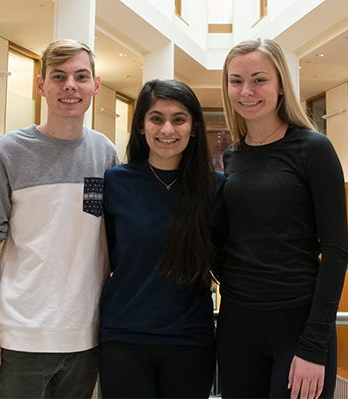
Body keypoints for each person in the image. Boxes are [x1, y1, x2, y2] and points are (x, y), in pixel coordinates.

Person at [0, 38, 119, 398]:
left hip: (87, 333)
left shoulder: (105, 153)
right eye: (59, 76)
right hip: (22, 335)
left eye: (81, 76)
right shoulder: (7, 151)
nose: (70, 86)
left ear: (95, 85)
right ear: (41, 85)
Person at [215, 38, 348, 399]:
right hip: (237, 324)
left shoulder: (313, 148)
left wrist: (313, 345)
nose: (246, 91)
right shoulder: (234, 156)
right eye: (236, 81)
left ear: (280, 86)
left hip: (298, 324)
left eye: (259, 79)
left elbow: (336, 251)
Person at [98, 79, 226, 399]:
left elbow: (228, 259)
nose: (167, 129)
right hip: (123, 339)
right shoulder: (115, 181)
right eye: (156, 118)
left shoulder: (216, 188)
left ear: (194, 128)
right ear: (141, 125)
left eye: (179, 119)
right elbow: (102, 253)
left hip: (190, 341)